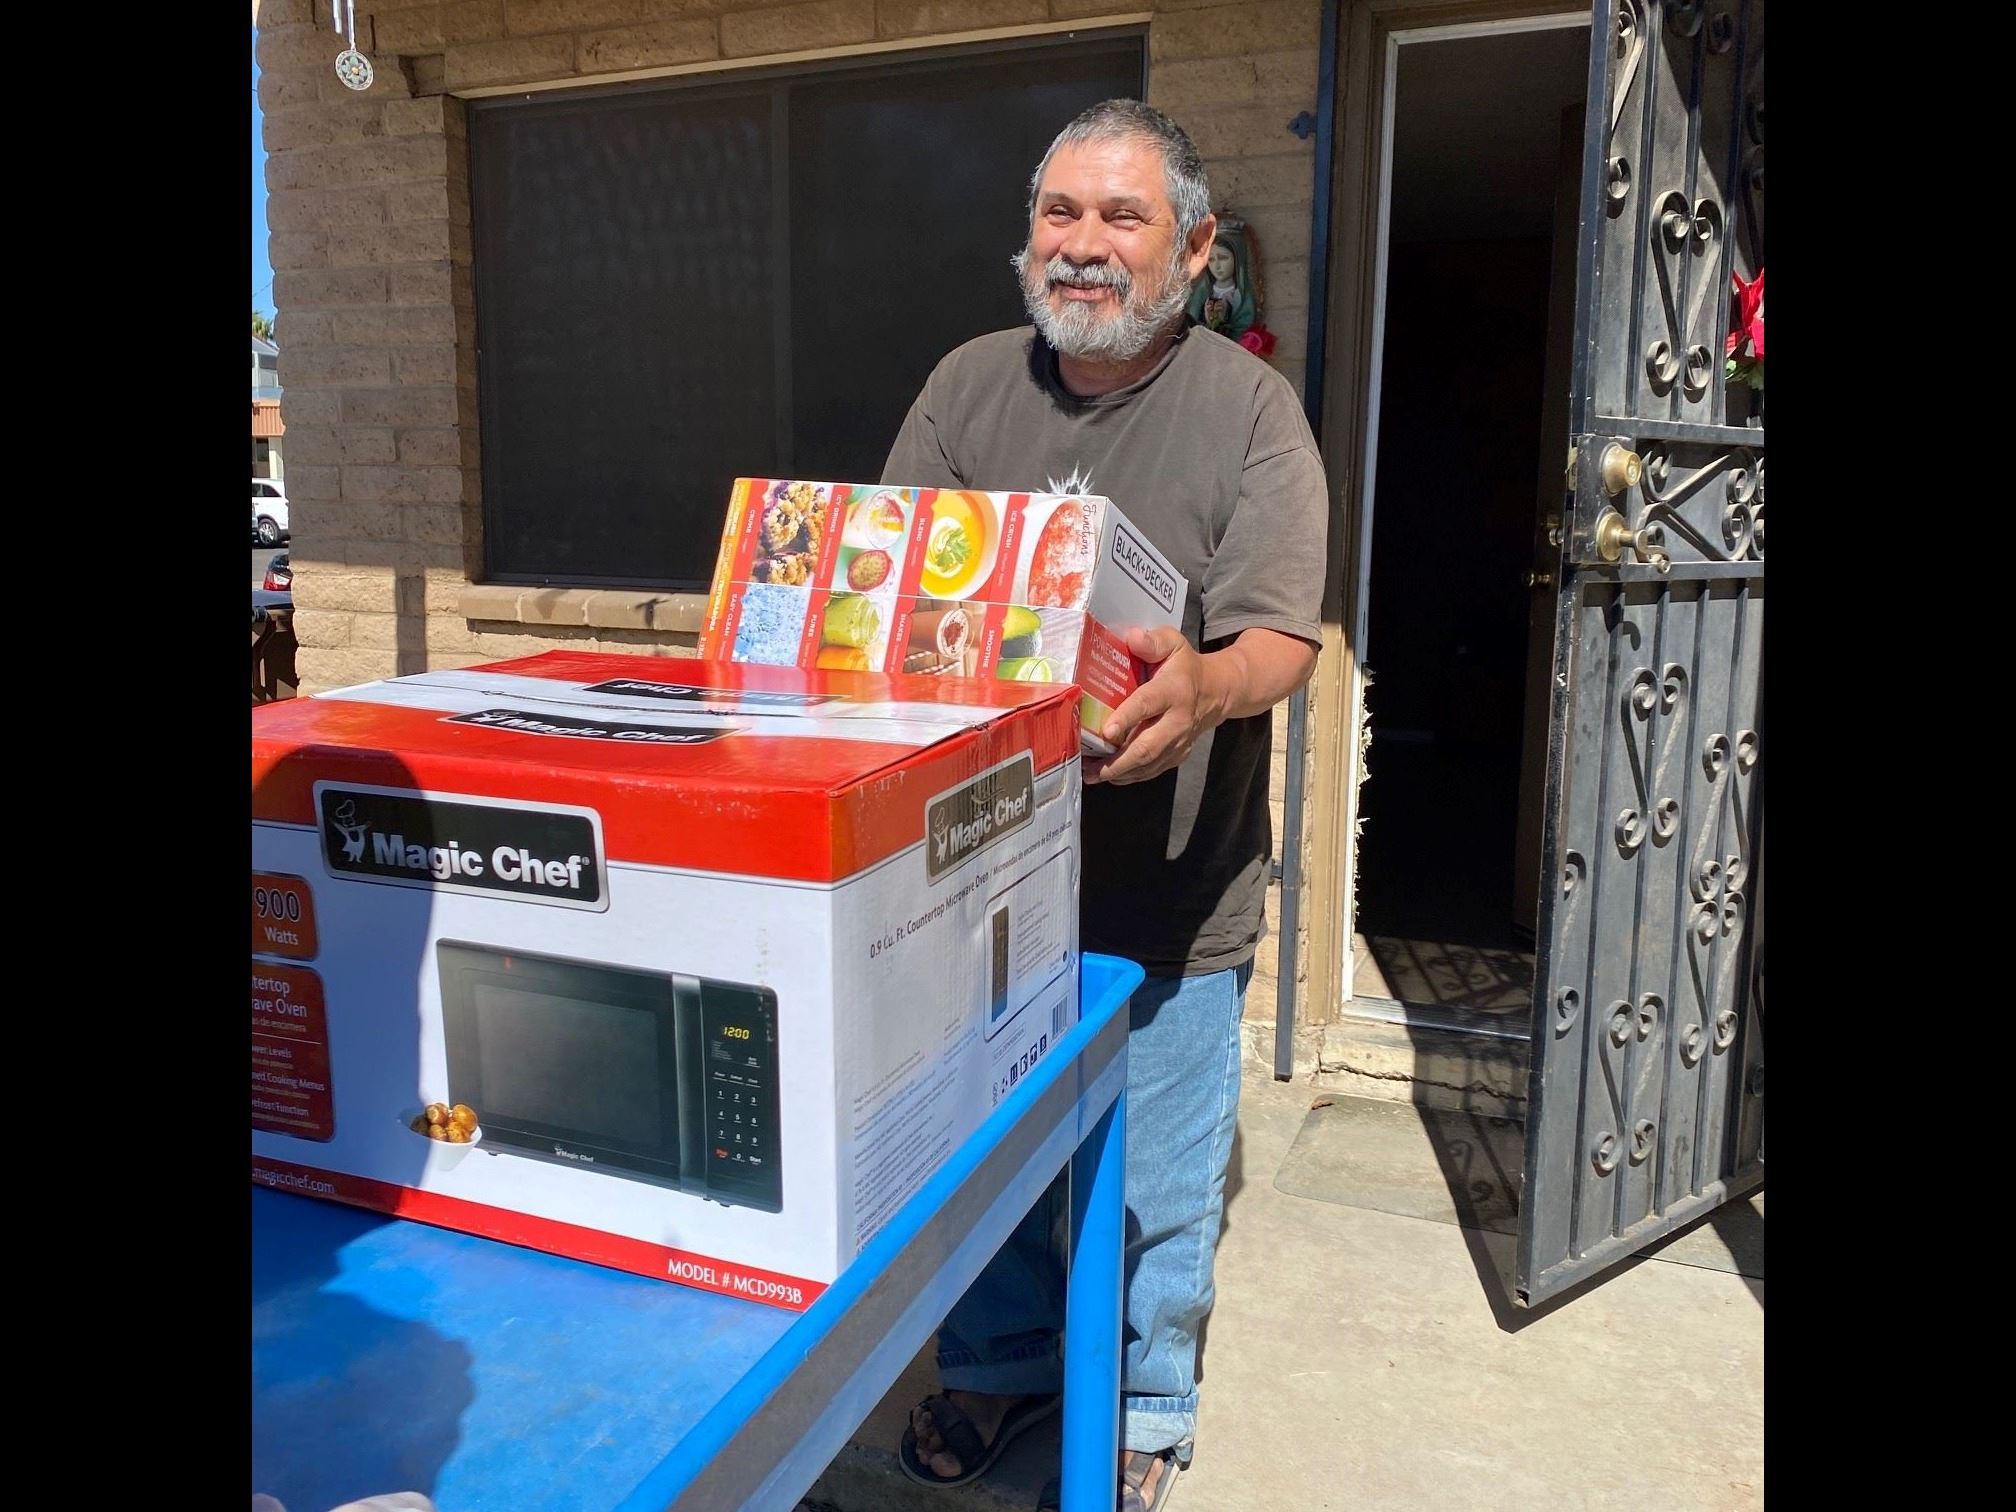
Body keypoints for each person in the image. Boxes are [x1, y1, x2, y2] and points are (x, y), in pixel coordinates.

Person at [882, 99, 1330, 1512]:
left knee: (1159, 1184)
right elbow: (897, 585)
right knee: (989, 1160)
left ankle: (1143, 1408)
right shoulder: (964, 385)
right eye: (1059, 215)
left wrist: (1199, 688)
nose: (1083, 246)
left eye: (1121, 218)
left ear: (1192, 248)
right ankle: (1004, 1375)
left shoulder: (1248, 407)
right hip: (981, 875)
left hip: (1171, 882)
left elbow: (1280, 640)